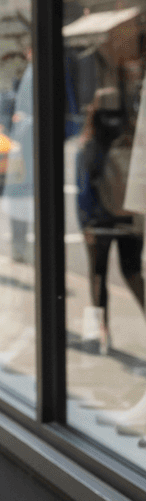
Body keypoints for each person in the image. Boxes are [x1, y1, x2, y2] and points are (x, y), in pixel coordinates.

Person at [76, 89, 144, 352]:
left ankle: (101, 336)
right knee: (134, 274)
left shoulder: (90, 145)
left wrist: (86, 224)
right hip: (130, 219)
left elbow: (84, 190)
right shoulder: (131, 140)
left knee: (97, 277)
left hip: (100, 221)